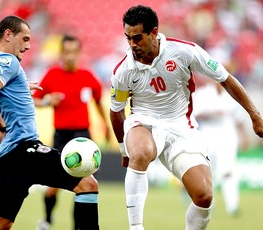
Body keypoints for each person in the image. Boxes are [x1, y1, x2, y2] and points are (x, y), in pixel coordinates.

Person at [109, 5, 263, 230]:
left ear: (154, 32)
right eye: (128, 38)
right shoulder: (124, 70)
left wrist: (255, 115)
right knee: (140, 153)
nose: (132, 44)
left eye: (137, 38)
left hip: (182, 127)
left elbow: (226, 79)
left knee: (204, 197)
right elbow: (117, 110)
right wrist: (124, 149)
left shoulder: (185, 52)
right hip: (144, 121)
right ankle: (136, 227)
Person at [0, 15, 100, 230]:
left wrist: (20, 88)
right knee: (88, 184)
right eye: (25, 39)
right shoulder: (7, 61)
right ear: (8, 34)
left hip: (6, 156)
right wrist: (0, 127)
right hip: (24, 150)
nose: (29, 46)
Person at [33, 34, 109, 230]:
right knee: (53, 187)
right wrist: (48, 101)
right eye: (66, 52)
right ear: (61, 53)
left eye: (74, 52)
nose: (70, 56)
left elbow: (98, 103)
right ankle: (47, 220)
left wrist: (105, 126)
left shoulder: (88, 77)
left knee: (85, 186)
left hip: (83, 137)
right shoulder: (52, 75)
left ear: (79, 53)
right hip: (61, 136)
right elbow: (33, 100)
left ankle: (78, 226)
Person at [193, 80, 249, 216]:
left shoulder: (233, 94)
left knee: (228, 170)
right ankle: (208, 205)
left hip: (228, 136)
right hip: (208, 135)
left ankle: (232, 206)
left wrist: (244, 137)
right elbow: (195, 113)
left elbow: (239, 119)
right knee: (207, 171)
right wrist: (212, 113)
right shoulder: (203, 94)